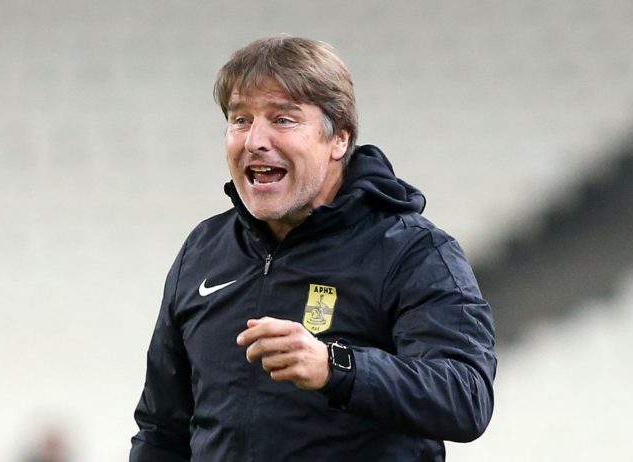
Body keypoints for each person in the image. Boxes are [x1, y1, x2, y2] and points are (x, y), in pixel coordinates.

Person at [130, 34, 496, 462]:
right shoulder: (204, 249)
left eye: (283, 119)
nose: (254, 140)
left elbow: (465, 396)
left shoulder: (412, 252)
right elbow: (161, 430)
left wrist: (336, 368)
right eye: (240, 119)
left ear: (338, 138)